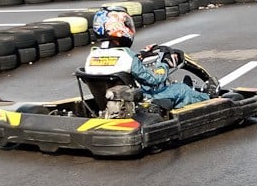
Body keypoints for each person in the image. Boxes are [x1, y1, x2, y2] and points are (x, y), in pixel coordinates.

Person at [85, 6, 215, 110]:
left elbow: (122, 67)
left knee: (162, 89)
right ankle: (209, 97)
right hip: (138, 101)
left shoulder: (92, 55)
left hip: (107, 101)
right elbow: (153, 79)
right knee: (180, 89)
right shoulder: (126, 56)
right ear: (119, 27)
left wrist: (140, 56)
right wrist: (165, 64)